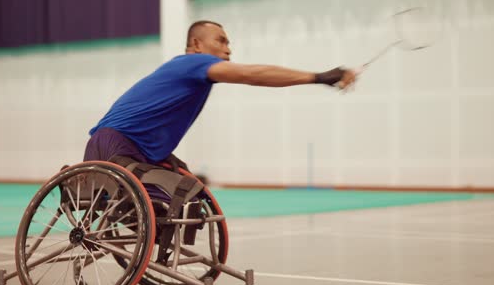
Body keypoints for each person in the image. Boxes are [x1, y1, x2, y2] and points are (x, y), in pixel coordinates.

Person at [84, 20, 358, 172]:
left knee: (187, 195)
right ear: (197, 44)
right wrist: (319, 77)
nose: (228, 48)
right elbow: (254, 75)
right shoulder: (191, 63)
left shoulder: (192, 70)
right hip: (117, 145)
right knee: (168, 201)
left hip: (139, 150)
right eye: (221, 41)